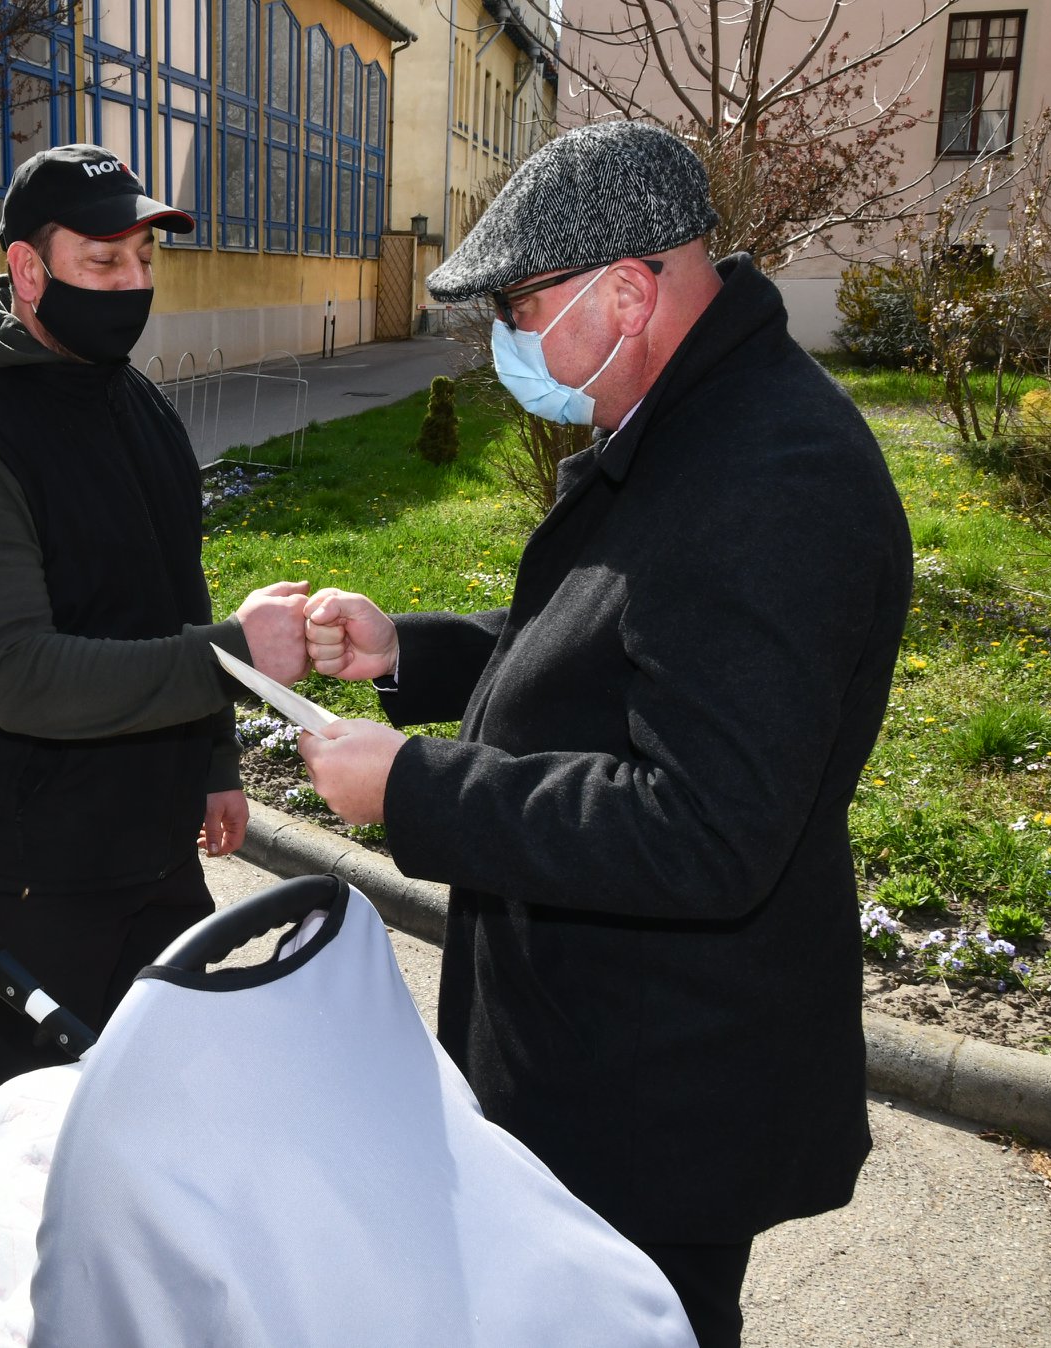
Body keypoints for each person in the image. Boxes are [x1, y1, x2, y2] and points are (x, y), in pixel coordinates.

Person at [293, 122, 913, 1348]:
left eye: (520, 308)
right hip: (603, 1052)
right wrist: (408, 653)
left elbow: (701, 826)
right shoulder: (694, 420)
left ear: (626, 293)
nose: (505, 341)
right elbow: (611, 640)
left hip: (657, 1097)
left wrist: (415, 788)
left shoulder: (770, 474)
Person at [0, 144, 313, 1108]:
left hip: (144, 824)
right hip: (28, 854)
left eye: (144, 261)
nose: (132, 285)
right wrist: (237, 658)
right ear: (28, 269)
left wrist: (214, 760)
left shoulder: (129, 395)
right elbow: (19, 676)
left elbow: (175, 588)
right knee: (43, 1114)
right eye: (104, 261)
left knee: (161, 1091)